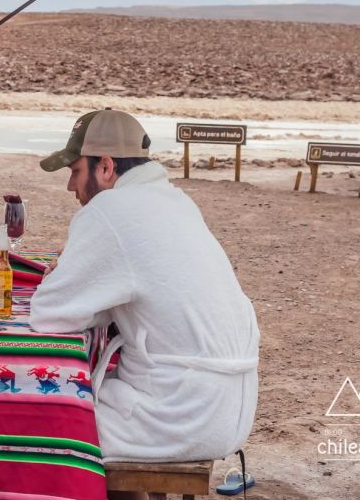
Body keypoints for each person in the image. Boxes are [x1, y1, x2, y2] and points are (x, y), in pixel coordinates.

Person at [29, 110, 259, 482]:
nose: (71, 186)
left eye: (75, 171)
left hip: (178, 415)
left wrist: (67, 277)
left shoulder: (110, 210)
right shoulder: (175, 201)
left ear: (105, 166)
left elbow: (48, 314)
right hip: (229, 405)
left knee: (30, 424)